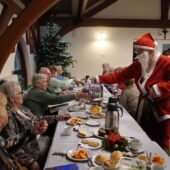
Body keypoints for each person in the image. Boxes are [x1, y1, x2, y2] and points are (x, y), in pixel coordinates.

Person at [92, 33, 170, 151]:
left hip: (164, 109)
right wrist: (99, 78)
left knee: (163, 139)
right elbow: (119, 75)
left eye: (140, 51)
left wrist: (159, 88)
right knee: (147, 136)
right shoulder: (138, 65)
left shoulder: (165, 62)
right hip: (146, 106)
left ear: (150, 52)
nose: (137, 54)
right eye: (137, 51)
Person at [0, 92, 48, 170]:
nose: (24, 94)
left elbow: (8, 144)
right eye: (4, 108)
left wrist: (31, 132)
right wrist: (29, 162)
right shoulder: (10, 116)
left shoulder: (1, 140)